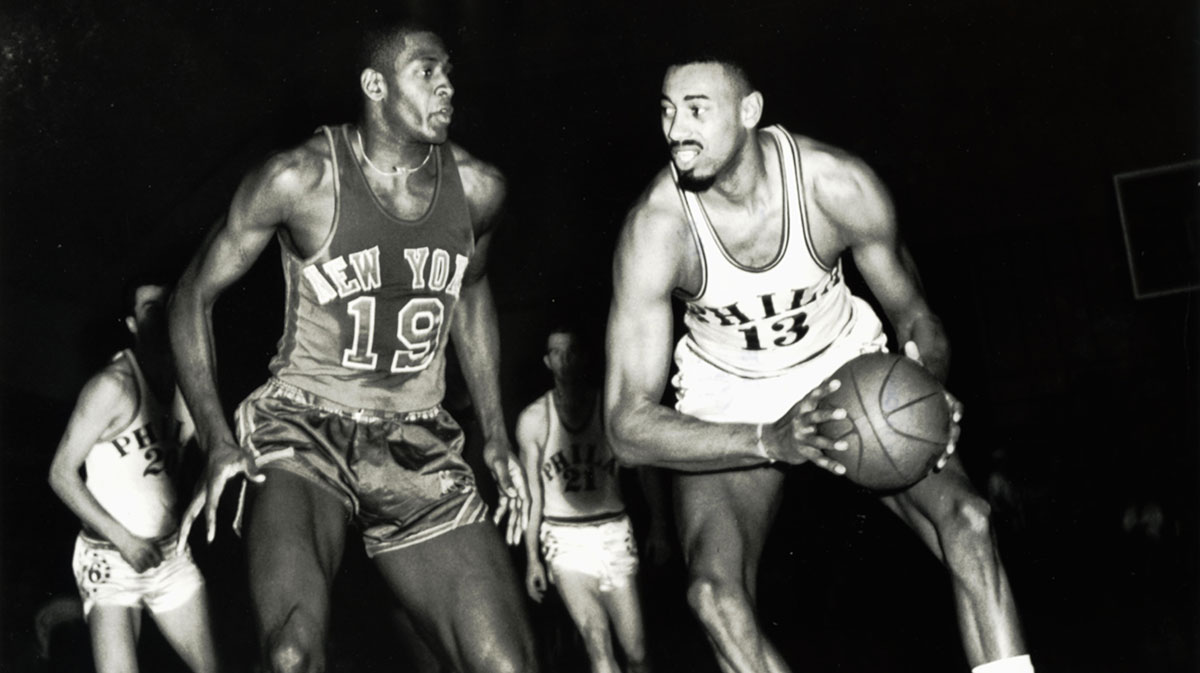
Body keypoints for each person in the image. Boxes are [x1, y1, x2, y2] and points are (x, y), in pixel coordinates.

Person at [604, 55, 1033, 673]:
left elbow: (916, 319)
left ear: (749, 113)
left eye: (697, 110)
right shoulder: (657, 227)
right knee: (713, 599)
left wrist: (928, 385)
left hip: (845, 369)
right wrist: (768, 440)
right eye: (667, 112)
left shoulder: (836, 185)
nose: (676, 130)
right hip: (729, 393)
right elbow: (624, 427)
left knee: (968, 520)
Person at [168, 23, 537, 673]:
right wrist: (217, 435)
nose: (448, 83)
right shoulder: (299, 177)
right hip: (303, 427)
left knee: (507, 665)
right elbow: (190, 297)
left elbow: (471, 291)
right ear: (375, 86)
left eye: (450, 70)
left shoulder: (479, 189)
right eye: (427, 71)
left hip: (417, 437)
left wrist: (497, 431)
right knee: (289, 653)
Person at [48, 280, 220, 673]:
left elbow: (208, 454)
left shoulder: (189, 383)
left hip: (169, 557)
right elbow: (60, 474)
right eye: (149, 309)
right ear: (131, 323)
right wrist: (125, 540)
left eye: (166, 306)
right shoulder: (114, 386)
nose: (159, 317)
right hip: (110, 559)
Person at [518, 325, 667, 673]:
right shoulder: (534, 419)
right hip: (565, 539)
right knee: (596, 639)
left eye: (572, 351)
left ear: (584, 356)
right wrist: (532, 559)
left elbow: (645, 470)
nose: (565, 359)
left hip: (614, 533)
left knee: (637, 653)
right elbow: (532, 494)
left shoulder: (611, 409)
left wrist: (659, 526)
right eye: (556, 352)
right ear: (547, 361)